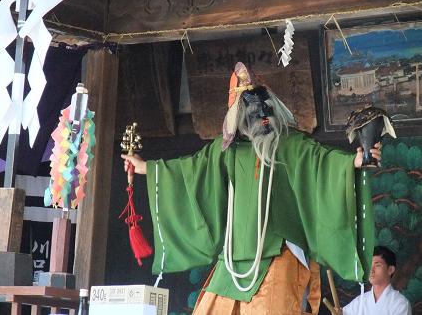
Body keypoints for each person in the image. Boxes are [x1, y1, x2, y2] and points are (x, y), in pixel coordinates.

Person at [121, 62, 382, 315]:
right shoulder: (225, 150)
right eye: (248, 106)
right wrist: (147, 168)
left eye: (261, 105)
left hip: (280, 249)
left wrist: (356, 162)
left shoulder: (289, 144)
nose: (258, 114)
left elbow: (320, 162)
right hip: (234, 259)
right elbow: (191, 172)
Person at [340, 246, 412, 315]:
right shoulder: (360, 301)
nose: (371, 270)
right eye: (369, 266)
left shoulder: (400, 303)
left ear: (390, 270)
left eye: (377, 265)